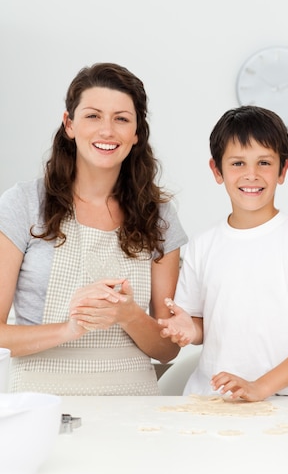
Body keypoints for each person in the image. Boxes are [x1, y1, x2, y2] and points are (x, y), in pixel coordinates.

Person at [0, 62, 187, 395]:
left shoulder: (159, 216)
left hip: (132, 404)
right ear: (69, 125)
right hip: (40, 402)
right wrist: (70, 328)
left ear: (136, 133)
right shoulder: (23, 204)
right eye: (93, 116)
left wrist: (128, 314)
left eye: (121, 119)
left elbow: (168, 347)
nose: (107, 131)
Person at [157, 105, 288, 402]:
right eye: (238, 164)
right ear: (217, 170)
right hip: (212, 400)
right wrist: (188, 330)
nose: (251, 175)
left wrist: (259, 387)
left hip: (286, 403)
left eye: (264, 163)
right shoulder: (202, 247)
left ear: (283, 170)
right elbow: (203, 324)